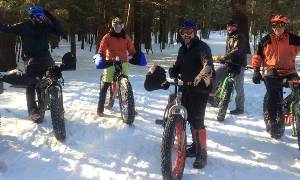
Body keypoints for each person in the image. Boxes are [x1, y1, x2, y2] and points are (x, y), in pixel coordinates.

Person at [0, 6, 64, 123]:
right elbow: (6, 28)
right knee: (31, 82)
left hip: (45, 55)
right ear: (32, 17)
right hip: (30, 58)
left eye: (43, 16)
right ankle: (33, 111)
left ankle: (57, 105)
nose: (42, 19)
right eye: (40, 16)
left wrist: (49, 15)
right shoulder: (23, 26)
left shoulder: (45, 26)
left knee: (53, 75)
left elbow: (60, 30)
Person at [168, 20, 214, 169]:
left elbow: (208, 64)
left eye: (189, 32)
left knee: (197, 120)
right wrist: (173, 70)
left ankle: (202, 153)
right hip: (185, 87)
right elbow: (178, 66)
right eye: (183, 32)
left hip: (200, 89)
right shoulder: (183, 49)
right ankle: (195, 147)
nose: (186, 35)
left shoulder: (202, 47)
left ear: (195, 32)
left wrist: (201, 74)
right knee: (186, 118)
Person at [252, 15, 300, 139]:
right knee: (273, 94)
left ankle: (289, 107)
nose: (277, 28)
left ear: (285, 26)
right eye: (274, 25)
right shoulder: (266, 39)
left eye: (280, 25)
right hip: (271, 70)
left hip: (289, 71)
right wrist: (256, 71)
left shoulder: (293, 39)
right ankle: (273, 120)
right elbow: (257, 56)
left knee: (298, 88)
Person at [96, 17, 136, 116]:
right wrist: (102, 55)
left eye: (120, 25)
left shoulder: (126, 37)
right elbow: (102, 48)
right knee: (106, 85)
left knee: (126, 85)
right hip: (110, 62)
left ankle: (130, 109)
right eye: (115, 26)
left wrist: (135, 54)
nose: (118, 28)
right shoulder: (107, 37)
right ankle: (100, 109)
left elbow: (131, 49)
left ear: (122, 26)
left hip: (123, 62)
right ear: (112, 26)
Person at [210, 20, 248, 115]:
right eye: (228, 26)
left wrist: (224, 57)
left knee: (238, 87)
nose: (230, 28)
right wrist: (224, 59)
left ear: (236, 27)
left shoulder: (240, 37)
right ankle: (212, 97)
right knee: (215, 75)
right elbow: (229, 52)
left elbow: (236, 51)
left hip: (239, 65)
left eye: (232, 26)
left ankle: (240, 108)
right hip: (228, 63)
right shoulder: (230, 37)